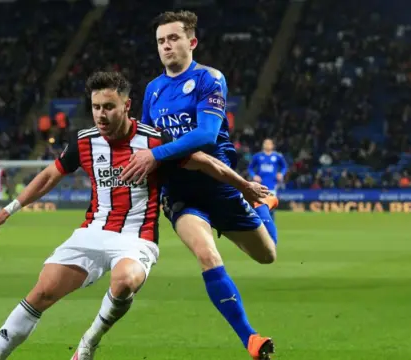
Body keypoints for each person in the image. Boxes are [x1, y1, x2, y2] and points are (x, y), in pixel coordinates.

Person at [0, 71, 269, 360]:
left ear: (126, 106)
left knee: (124, 281)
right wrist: (9, 210)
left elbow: (204, 162)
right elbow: (49, 176)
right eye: (96, 108)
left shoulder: (155, 142)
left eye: (109, 107)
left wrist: (243, 186)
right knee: (41, 293)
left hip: (136, 237)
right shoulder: (84, 141)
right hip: (92, 232)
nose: (101, 115)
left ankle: (88, 343)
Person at [120, 10, 278, 360]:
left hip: (219, 183)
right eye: (161, 41)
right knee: (207, 255)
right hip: (179, 192)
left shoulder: (209, 79)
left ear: (191, 42)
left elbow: (206, 136)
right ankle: (250, 339)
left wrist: (158, 156)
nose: (166, 46)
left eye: (173, 38)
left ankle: (263, 206)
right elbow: (149, 141)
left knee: (267, 255)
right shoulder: (153, 89)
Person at [248, 139, 287, 218]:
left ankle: (270, 227)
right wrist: (254, 175)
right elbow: (250, 168)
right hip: (260, 186)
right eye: (265, 143)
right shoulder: (257, 156)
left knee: (271, 207)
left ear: (273, 145)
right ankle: (261, 227)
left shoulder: (277, 156)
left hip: (272, 185)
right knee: (259, 207)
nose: (267, 145)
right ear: (263, 145)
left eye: (269, 144)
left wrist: (281, 174)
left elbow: (284, 167)